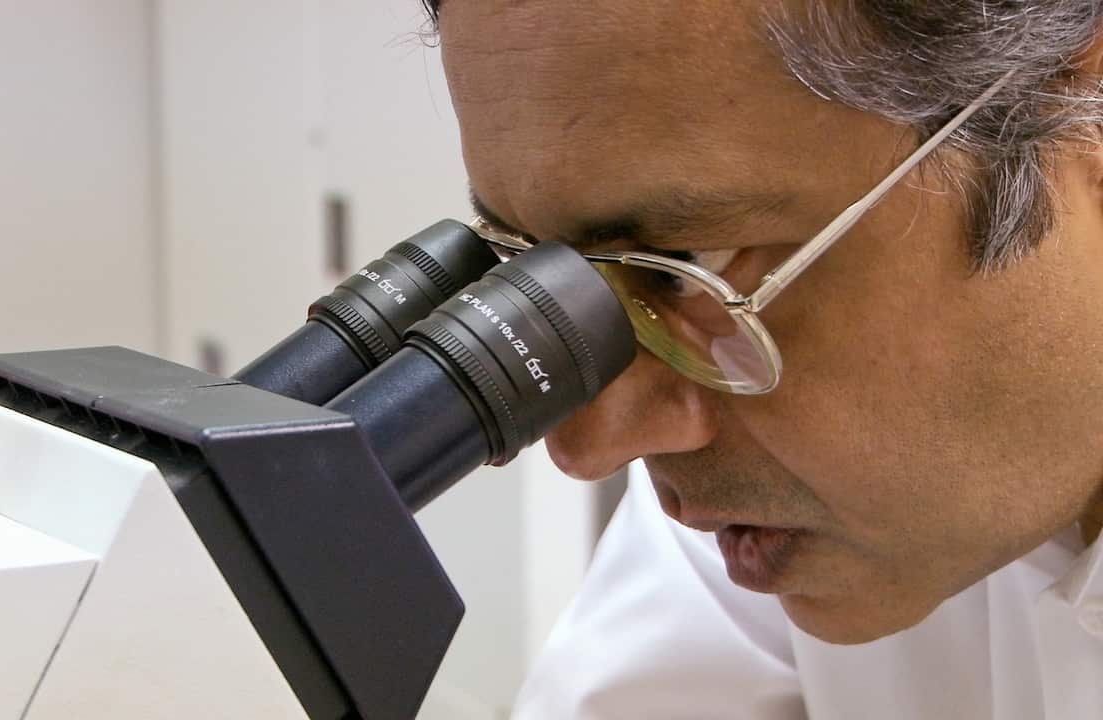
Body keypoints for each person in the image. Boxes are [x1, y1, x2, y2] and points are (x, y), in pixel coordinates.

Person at [423, 1, 1103, 717]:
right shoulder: (782, 515)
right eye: (526, 260)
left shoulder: (827, 479)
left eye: (688, 266)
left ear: (1085, 114)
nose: (591, 447)